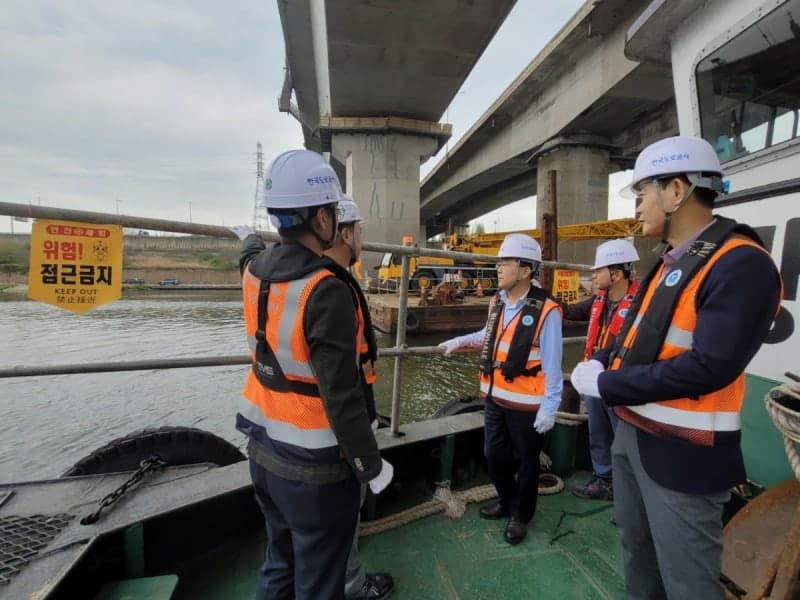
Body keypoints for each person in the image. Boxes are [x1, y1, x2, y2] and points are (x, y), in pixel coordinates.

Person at [570, 135, 782, 599]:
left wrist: (608, 383)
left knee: (688, 582)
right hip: (633, 438)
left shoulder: (741, 264)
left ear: (676, 190)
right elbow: (631, 339)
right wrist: (599, 362)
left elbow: (710, 367)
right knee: (637, 555)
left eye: (643, 192)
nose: (638, 207)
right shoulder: (667, 266)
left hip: (684, 457)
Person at [233, 149, 392, 600]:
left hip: (263, 452)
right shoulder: (326, 290)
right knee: (320, 580)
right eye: (332, 213)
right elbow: (341, 396)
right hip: (315, 470)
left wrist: (246, 240)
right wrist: (369, 465)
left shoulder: (255, 272)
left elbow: (247, 254)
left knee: (279, 563)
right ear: (322, 220)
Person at [438, 234, 563, 545]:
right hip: (494, 398)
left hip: (526, 404)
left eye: (505, 262)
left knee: (528, 462)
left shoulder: (547, 311)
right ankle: (506, 501)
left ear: (524, 270)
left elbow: (552, 363)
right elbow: (488, 335)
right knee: (494, 455)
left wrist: (550, 407)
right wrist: (460, 341)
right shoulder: (497, 301)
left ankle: (521, 515)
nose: (498, 267)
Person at [324, 197, 394, 600]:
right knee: (347, 504)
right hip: (345, 425)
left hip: (293, 430)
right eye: (361, 230)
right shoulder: (334, 289)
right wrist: (366, 456)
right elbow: (342, 385)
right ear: (344, 232)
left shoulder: (290, 279)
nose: (364, 239)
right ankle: (352, 585)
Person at [562, 239, 640, 500]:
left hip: (621, 382)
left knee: (625, 436)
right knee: (599, 431)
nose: (593, 275)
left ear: (616, 274)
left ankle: (629, 489)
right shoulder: (599, 300)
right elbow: (569, 311)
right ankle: (604, 478)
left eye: (598, 271)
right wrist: (542, 300)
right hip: (595, 380)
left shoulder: (642, 305)